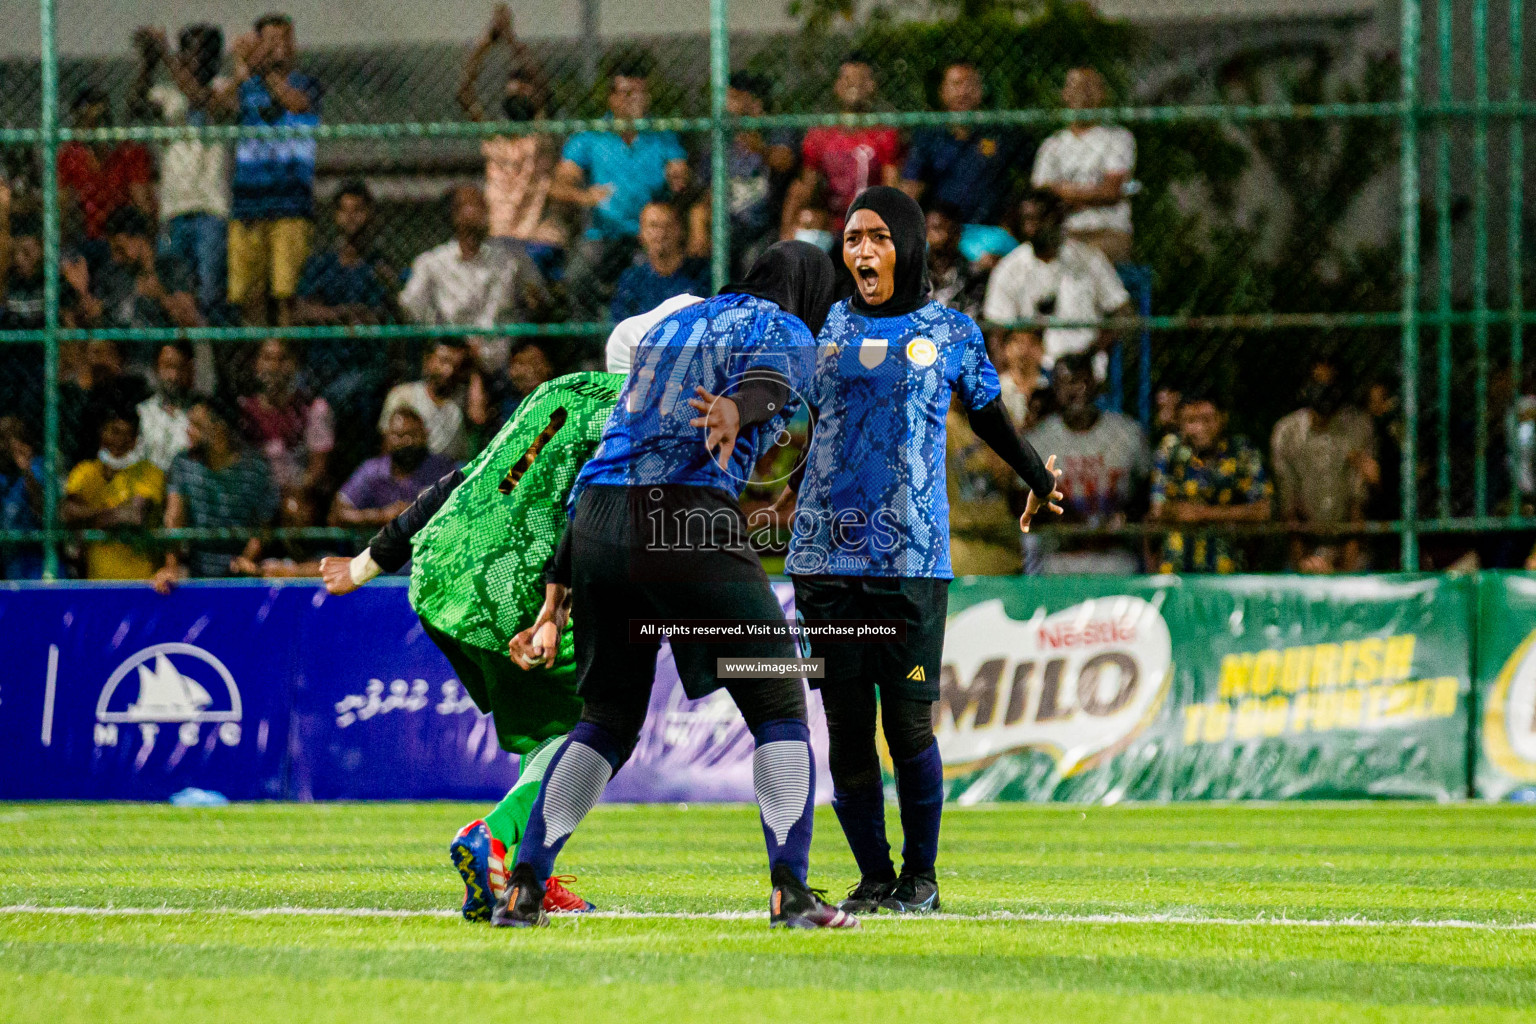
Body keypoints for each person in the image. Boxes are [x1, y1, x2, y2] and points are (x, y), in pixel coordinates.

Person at [496, 242, 854, 930]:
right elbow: (771, 386)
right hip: (683, 518)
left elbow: (610, 454)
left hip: (598, 524)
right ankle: (792, 891)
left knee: (606, 720)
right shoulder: (787, 327)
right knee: (780, 698)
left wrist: (556, 595)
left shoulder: (670, 325)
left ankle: (524, 886)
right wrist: (736, 413)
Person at [321, 327, 676, 920]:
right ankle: (500, 840)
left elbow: (463, 477)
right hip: (515, 585)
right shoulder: (644, 416)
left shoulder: (555, 392)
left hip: (441, 569)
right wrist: (552, 611)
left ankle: (525, 874)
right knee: (590, 730)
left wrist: (367, 563)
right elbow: (588, 510)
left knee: (546, 727)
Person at [777, 187, 1062, 916]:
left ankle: (921, 878)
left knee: (907, 724)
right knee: (844, 726)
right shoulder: (823, 327)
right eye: (851, 239)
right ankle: (874, 876)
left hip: (910, 559)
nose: (863, 251)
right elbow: (782, 415)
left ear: (907, 244)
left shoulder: (951, 331)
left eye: (877, 237)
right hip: (823, 560)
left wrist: (1036, 476)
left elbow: (991, 417)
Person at [552, 54, 689, 317]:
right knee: (576, 277)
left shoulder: (661, 136)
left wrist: (678, 175)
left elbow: (680, 170)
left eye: (640, 93)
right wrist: (583, 196)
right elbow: (560, 183)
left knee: (655, 278)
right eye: (627, 94)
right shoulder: (590, 137)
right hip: (602, 234)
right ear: (612, 98)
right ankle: (594, 344)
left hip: (647, 235)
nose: (634, 101)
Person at [215, 13, 323, 326]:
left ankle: (285, 360)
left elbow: (297, 104)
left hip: (291, 201)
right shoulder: (248, 87)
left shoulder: (306, 84)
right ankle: (255, 360)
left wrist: (262, 71)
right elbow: (217, 106)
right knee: (249, 295)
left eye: (285, 40)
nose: (279, 48)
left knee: (286, 293)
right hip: (249, 201)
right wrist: (242, 71)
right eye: (270, 41)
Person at [458, 4, 567, 279]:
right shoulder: (494, 139)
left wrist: (510, 38)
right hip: (497, 234)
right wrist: (485, 43)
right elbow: (464, 93)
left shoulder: (541, 137)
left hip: (534, 237)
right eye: (514, 87)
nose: (519, 92)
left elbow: (542, 88)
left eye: (524, 88)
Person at [131, 24, 231, 314]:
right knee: (172, 291)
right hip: (174, 209)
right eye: (189, 53)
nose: (196, 61)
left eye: (203, 53)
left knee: (209, 293)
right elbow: (135, 106)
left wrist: (164, 53)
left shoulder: (224, 89)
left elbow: (202, 100)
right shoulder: (168, 95)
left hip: (211, 209)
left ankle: (208, 352)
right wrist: (148, 63)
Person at [399, 185, 548, 375]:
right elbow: (410, 305)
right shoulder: (432, 263)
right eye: (476, 205)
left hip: (501, 358)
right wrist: (441, 335)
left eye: (484, 206)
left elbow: (539, 297)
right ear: (456, 215)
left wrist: (534, 301)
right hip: (452, 355)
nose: (484, 212)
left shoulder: (510, 261)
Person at [1025, 353, 1149, 574]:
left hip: (1116, 561)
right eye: (1066, 383)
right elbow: (1020, 499)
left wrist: (1125, 516)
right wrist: (1062, 519)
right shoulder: (1040, 440)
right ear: (1055, 390)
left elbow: (1146, 490)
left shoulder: (1127, 434)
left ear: (1095, 384)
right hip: (1059, 563)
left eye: (1082, 381)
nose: (1075, 390)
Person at [983, 189, 1131, 370]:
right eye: (1028, 220)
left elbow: (1123, 311)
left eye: (1041, 218)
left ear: (1058, 218)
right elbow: (998, 331)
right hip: (1031, 370)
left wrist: (1094, 349)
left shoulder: (1089, 259)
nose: (1034, 227)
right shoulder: (1009, 269)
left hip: (1085, 366)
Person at [899, 62, 1024, 263]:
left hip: (989, 232)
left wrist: (1010, 225)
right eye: (956, 84)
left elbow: (1026, 185)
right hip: (940, 231)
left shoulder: (999, 134)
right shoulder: (929, 138)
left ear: (981, 91)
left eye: (971, 85)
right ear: (942, 91)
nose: (963, 92)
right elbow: (909, 191)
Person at [153, 397, 279, 590]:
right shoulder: (183, 463)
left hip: (243, 574)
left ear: (219, 429)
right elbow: (174, 518)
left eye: (196, 425)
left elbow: (263, 526)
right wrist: (171, 567)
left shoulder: (256, 468)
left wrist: (245, 561)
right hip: (195, 570)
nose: (188, 431)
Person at [1270, 358, 1374, 573]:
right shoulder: (1287, 432)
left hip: (1350, 547)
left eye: (1330, 384)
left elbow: (1357, 503)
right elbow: (1290, 506)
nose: (1324, 391)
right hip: (1305, 545)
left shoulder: (1358, 427)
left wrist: (1346, 570)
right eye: (1317, 383)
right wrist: (1304, 563)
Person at [1149, 391, 1270, 574]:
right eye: (1191, 421)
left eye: (1207, 419)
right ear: (1180, 423)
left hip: (1228, 566)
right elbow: (1158, 508)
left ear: (1223, 418)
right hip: (1178, 567)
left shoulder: (1242, 450)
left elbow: (1264, 509)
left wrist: (1204, 513)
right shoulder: (1170, 449)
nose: (1199, 428)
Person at [691, 71, 799, 275]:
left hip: (765, 224)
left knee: (753, 258)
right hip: (729, 224)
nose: (727, 105)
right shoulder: (720, 138)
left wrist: (760, 148)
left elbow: (784, 161)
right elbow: (709, 191)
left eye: (734, 98)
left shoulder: (776, 130)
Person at [781, 57, 902, 239]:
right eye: (847, 79)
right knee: (807, 223)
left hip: (872, 221)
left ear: (871, 86)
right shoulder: (820, 134)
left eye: (860, 79)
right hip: (832, 221)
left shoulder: (884, 134)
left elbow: (892, 186)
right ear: (837, 86)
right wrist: (789, 228)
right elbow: (806, 186)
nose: (853, 84)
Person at [1031, 67, 1136, 264]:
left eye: (1090, 86)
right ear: (1064, 94)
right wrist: (1093, 193)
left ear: (1102, 94)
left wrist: (1061, 191)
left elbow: (1111, 192)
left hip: (1107, 232)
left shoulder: (1118, 138)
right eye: (1075, 86)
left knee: (1083, 263)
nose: (1083, 93)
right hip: (1062, 232)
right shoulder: (1052, 145)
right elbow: (1041, 197)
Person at [63, 406, 166, 580]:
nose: (120, 441)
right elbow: (68, 514)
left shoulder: (149, 473)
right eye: (114, 432)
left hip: (141, 582)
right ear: (102, 433)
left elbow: (134, 516)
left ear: (134, 441)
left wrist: (90, 517)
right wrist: (114, 514)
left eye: (128, 435)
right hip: (96, 582)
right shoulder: (85, 471)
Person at [330, 408, 458, 531]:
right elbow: (339, 514)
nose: (407, 441)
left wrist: (419, 511)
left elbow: (459, 509)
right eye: (400, 435)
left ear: (425, 435)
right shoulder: (371, 471)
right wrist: (381, 516)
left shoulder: (442, 469)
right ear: (386, 438)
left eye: (414, 435)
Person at [56, 88, 155, 246]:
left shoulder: (127, 153)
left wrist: (147, 239)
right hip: (86, 237)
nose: (91, 128)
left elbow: (141, 200)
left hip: (122, 235)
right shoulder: (70, 156)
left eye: (98, 120)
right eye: (85, 121)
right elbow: (61, 204)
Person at [237, 337, 334, 497]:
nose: (274, 367)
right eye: (267, 358)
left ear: (294, 364)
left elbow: (316, 473)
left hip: (295, 492)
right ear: (256, 364)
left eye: (282, 359)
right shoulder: (245, 409)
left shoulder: (313, 409)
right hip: (253, 493)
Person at [294, 181, 394, 327]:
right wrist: (341, 313)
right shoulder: (321, 263)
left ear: (370, 213)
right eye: (344, 210)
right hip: (326, 347)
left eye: (357, 210)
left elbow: (389, 311)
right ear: (335, 215)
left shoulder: (379, 264)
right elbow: (300, 310)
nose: (350, 216)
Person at [609, 201, 709, 322]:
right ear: (641, 234)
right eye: (653, 226)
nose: (661, 234)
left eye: (667, 226)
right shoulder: (632, 280)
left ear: (680, 231)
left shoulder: (701, 275)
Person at [378, 342, 477, 462]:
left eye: (457, 365)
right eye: (443, 361)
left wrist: (475, 372)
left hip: (449, 472)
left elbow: (478, 418)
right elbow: (387, 443)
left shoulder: (465, 400)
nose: (449, 370)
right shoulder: (403, 395)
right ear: (427, 360)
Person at [136, 342, 198, 472]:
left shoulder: (199, 415)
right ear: (156, 368)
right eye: (168, 367)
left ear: (191, 369)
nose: (174, 376)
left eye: (180, 367)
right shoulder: (143, 413)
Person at [0, 417, 46, 580]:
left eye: (9, 438)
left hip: (38, 562)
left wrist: (26, 470)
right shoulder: (3, 477)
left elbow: (45, 512)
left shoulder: (38, 466)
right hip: (10, 562)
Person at [924, 202, 984, 321]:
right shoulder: (911, 273)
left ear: (957, 234)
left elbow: (971, 319)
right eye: (928, 229)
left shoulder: (971, 276)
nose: (933, 236)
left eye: (938, 229)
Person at [996, 328, 1050, 431]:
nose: (1024, 349)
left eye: (1031, 343)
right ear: (1006, 349)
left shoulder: (1052, 388)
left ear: (1042, 348)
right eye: (1018, 342)